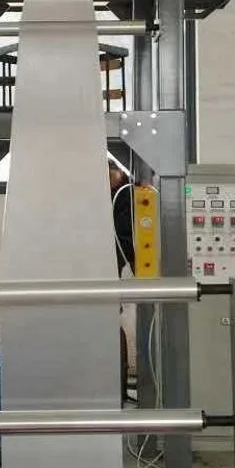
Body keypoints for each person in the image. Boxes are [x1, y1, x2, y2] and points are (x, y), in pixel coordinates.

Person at [108, 159, 135, 402]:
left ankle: (117, 390)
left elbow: (124, 237)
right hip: (106, 266)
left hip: (114, 266)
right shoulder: (107, 195)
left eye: (109, 174)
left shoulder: (127, 193)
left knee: (111, 325)